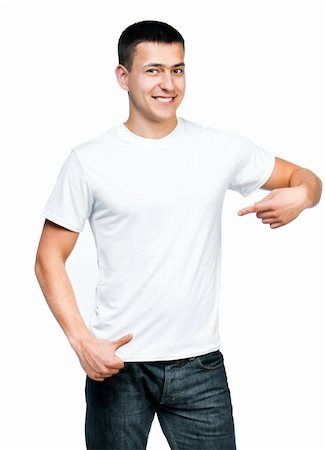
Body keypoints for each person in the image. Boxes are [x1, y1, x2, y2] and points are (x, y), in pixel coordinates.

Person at [34, 20, 322, 450]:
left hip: (199, 368)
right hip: (118, 367)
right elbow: (48, 257)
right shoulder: (88, 161)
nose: (168, 83)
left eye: (178, 69)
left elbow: (306, 178)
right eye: (153, 70)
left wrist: (301, 196)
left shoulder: (219, 148)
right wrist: (81, 342)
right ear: (123, 76)